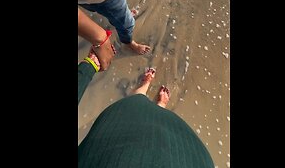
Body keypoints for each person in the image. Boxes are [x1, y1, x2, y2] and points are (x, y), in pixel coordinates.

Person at [78, 60, 215, 168]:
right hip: (186, 156)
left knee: (135, 102)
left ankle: (145, 86)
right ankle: (160, 106)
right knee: (158, 117)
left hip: (105, 152)